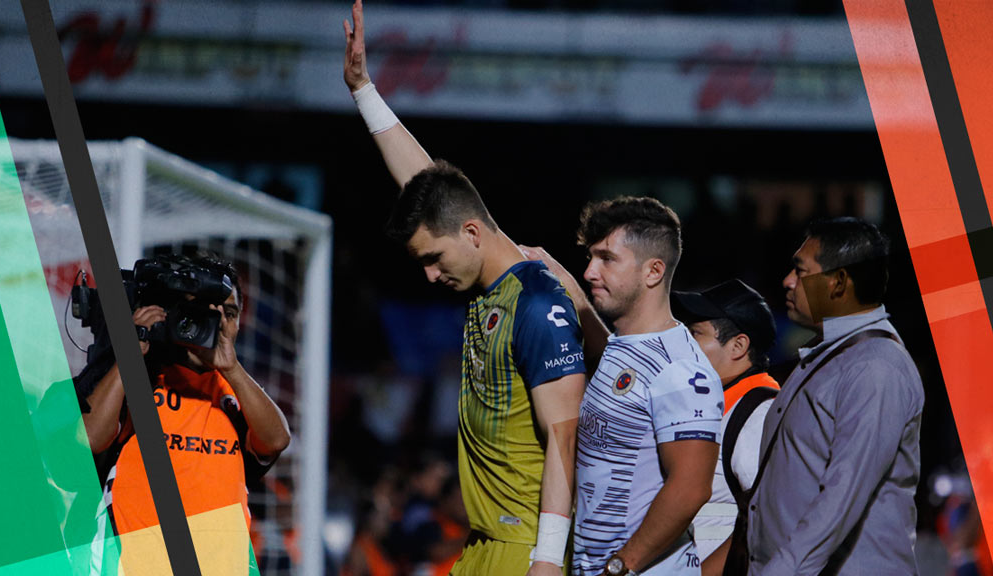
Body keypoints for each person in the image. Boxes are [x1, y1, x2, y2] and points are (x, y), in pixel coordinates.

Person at [342, 2, 589, 573]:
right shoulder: (486, 273)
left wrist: (548, 559)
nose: (429, 276)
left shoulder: (537, 300)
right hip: (480, 545)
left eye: (433, 259)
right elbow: (427, 186)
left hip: (524, 548)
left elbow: (566, 434)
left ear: (472, 234)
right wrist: (364, 91)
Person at [525, 196, 724, 575]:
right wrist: (561, 279)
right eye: (590, 258)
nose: (590, 271)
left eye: (607, 259)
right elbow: (616, 359)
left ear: (653, 272)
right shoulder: (625, 344)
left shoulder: (681, 370)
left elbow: (691, 488)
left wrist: (620, 566)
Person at [76, 254, 291, 573]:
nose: (219, 323)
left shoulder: (236, 391)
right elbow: (91, 439)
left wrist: (231, 369)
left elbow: (277, 439)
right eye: (206, 311)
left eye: (229, 313)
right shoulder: (142, 379)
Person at [746, 217, 924, 575]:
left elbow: (842, 496)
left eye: (800, 270)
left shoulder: (877, 367)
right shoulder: (832, 353)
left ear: (839, 282)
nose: (788, 281)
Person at [670, 279, 780, 574]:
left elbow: (767, 522)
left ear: (738, 346)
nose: (682, 343)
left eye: (695, 333)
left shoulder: (758, 414)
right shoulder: (711, 406)